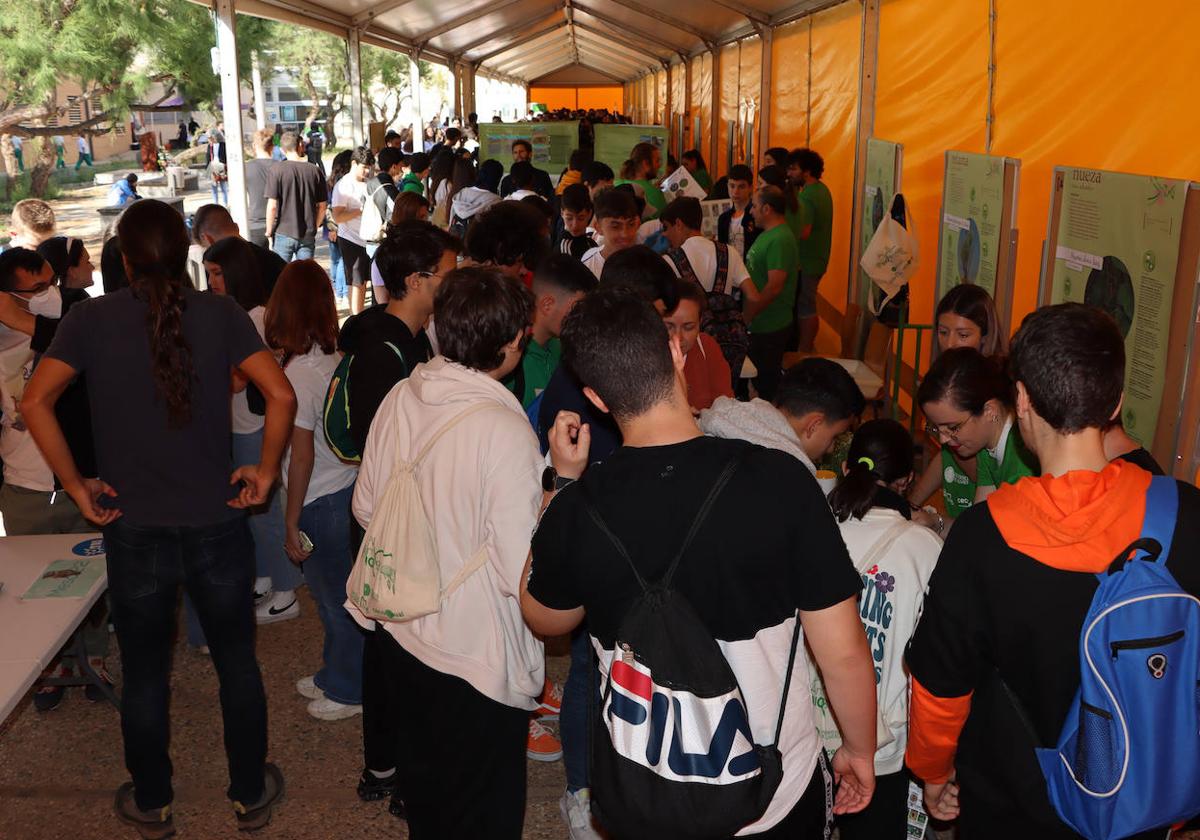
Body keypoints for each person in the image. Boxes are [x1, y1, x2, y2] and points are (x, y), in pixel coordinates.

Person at [521, 286, 879, 839]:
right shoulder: (780, 480)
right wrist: (858, 748)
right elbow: (844, 652)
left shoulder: (581, 504)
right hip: (770, 788)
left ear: (595, 397)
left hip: (645, 786)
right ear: (676, 352)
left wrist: (560, 487)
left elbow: (547, 618)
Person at [21, 199, 294, 836]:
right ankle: (248, 794)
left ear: (122, 255)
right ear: (186, 254)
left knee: (145, 672)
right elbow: (279, 393)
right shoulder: (221, 312)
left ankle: (154, 800)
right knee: (237, 664)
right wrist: (266, 470)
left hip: (133, 526)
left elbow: (35, 401)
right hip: (217, 523)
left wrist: (75, 483)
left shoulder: (88, 319)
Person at [905, 302, 1200, 836]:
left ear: (1020, 400)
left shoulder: (982, 536)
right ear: (1115, 401)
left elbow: (940, 687)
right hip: (1138, 799)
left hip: (1013, 800)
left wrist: (933, 769)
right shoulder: (1185, 513)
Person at [350, 266, 547, 837]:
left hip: (400, 628)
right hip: (471, 652)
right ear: (513, 344)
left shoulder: (402, 394)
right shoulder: (504, 431)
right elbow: (520, 570)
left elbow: (366, 507)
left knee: (427, 793)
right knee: (482, 806)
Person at [817, 419, 941, 839]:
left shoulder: (817, 528)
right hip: (883, 745)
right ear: (907, 480)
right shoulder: (923, 548)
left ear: (848, 467)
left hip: (811, 728)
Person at [0, 247, 104, 711]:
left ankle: (95, 656)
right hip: (23, 484)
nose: (47, 293)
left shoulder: (77, 306)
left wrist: (26, 321)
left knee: (95, 578)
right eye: (34, 290)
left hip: (82, 477)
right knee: (32, 589)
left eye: (49, 283)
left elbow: (85, 346)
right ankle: (50, 666)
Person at [263, 260, 361, 720]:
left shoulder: (299, 374)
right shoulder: (335, 360)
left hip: (319, 500)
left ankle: (349, 690)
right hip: (345, 490)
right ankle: (333, 672)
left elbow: (299, 457)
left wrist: (289, 519)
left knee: (333, 601)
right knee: (338, 596)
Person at [201, 236, 299, 625]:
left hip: (254, 427)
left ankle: (287, 589)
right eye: (208, 274)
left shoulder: (253, 316)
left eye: (217, 274)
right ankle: (267, 577)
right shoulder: (244, 312)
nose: (211, 282)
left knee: (263, 511)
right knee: (252, 511)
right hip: (245, 424)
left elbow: (238, 381)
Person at [909, 283, 1007, 522]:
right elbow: (945, 452)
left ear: (985, 337)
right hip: (958, 511)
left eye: (963, 335)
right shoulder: (945, 381)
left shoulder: (992, 393)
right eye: (943, 332)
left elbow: (986, 477)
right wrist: (910, 504)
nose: (950, 344)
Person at [700, 356, 865, 474]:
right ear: (813, 425)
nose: (830, 449)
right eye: (834, 437)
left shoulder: (719, 421)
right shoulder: (791, 474)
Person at [917, 347, 1037, 508]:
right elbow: (978, 520)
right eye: (935, 428)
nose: (943, 440)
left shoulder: (1022, 460)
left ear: (989, 411)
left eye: (952, 427)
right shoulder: (987, 448)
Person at [506, 253, 598, 410]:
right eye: (577, 309)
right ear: (547, 305)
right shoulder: (509, 363)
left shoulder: (566, 351)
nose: (583, 318)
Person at [743, 185, 800, 401]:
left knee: (765, 387)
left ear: (767, 209)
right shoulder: (769, 235)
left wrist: (749, 314)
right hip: (760, 323)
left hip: (770, 325)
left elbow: (774, 286)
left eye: (754, 206)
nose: (751, 211)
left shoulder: (781, 239)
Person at [661, 278, 732, 412]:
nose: (678, 337)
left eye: (688, 327)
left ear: (700, 324)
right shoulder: (641, 355)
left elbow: (726, 407)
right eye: (668, 327)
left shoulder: (707, 347)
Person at [787, 149, 832, 352]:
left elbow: (804, 232)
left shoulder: (808, 196)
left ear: (807, 171)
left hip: (808, 260)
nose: (790, 173)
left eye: (794, 168)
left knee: (806, 305)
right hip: (817, 257)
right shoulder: (822, 190)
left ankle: (804, 350)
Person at [192, 204, 286, 295]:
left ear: (207, 239)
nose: (210, 282)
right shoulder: (273, 260)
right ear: (236, 227)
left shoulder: (214, 266)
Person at [265, 131, 328, 262]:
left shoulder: (276, 170)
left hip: (283, 231)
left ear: (282, 150)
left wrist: (269, 231)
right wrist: (315, 226)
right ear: (300, 146)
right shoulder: (315, 171)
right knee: (305, 277)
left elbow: (272, 206)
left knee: (280, 274)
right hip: (307, 233)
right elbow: (322, 206)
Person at [330, 146, 376, 315]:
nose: (367, 171)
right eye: (364, 167)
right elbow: (338, 216)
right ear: (354, 163)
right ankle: (356, 317)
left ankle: (361, 315)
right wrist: (361, 210)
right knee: (355, 282)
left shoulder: (368, 182)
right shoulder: (343, 185)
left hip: (368, 239)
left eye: (369, 167)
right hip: (350, 239)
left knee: (363, 281)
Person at [463, 200, 549, 285]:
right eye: (518, 261)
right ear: (486, 264)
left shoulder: (532, 282)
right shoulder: (460, 292)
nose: (525, 271)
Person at [580, 188, 640, 279]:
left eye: (631, 224)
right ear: (598, 227)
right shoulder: (589, 265)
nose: (625, 234)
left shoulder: (648, 263)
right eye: (615, 226)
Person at [324, 150, 353, 305]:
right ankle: (342, 292)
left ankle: (336, 288)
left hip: (330, 228)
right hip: (339, 227)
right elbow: (331, 208)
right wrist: (334, 228)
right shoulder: (344, 183)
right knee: (342, 260)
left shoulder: (330, 182)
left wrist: (329, 229)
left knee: (335, 260)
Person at [450, 158, 503, 236]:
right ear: (497, 178)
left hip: (457, 243)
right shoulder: (496, 201)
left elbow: (451, 220)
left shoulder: (462, 193)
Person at [245, 128, 279, 248]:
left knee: (258, 263)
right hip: (280, 222)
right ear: (272, 147)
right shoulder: (281, 167)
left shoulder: (246, 168)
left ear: (254, 146)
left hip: (255, 222)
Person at [718, 164, 760, 259]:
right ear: (727, 186)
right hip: (730, 269)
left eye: (741, 187)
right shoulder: (723, 219)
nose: (735, 192)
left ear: (750, 188)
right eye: (732, 186)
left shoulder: (756, 216)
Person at [615, 142, 666, 218]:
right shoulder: (655, 194)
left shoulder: (615, 184)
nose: (659, 165)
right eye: (657, 161)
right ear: (645, 164)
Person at [556, 183, 598, 259]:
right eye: (569, 218)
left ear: (589, 214)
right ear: (562, 213)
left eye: (581, 218)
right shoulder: (564, 249)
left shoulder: (591, 243)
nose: (575, 225)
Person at [207, 130, 229, 206]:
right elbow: (207, 157)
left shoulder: (223, 145)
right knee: (214, 186)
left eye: (210, 137)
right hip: (213, 167)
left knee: (223, 186)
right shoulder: (209, 146)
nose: (209, 139)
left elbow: (226, 156)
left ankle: (225, 203)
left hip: (221, 166)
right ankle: (215, 203)